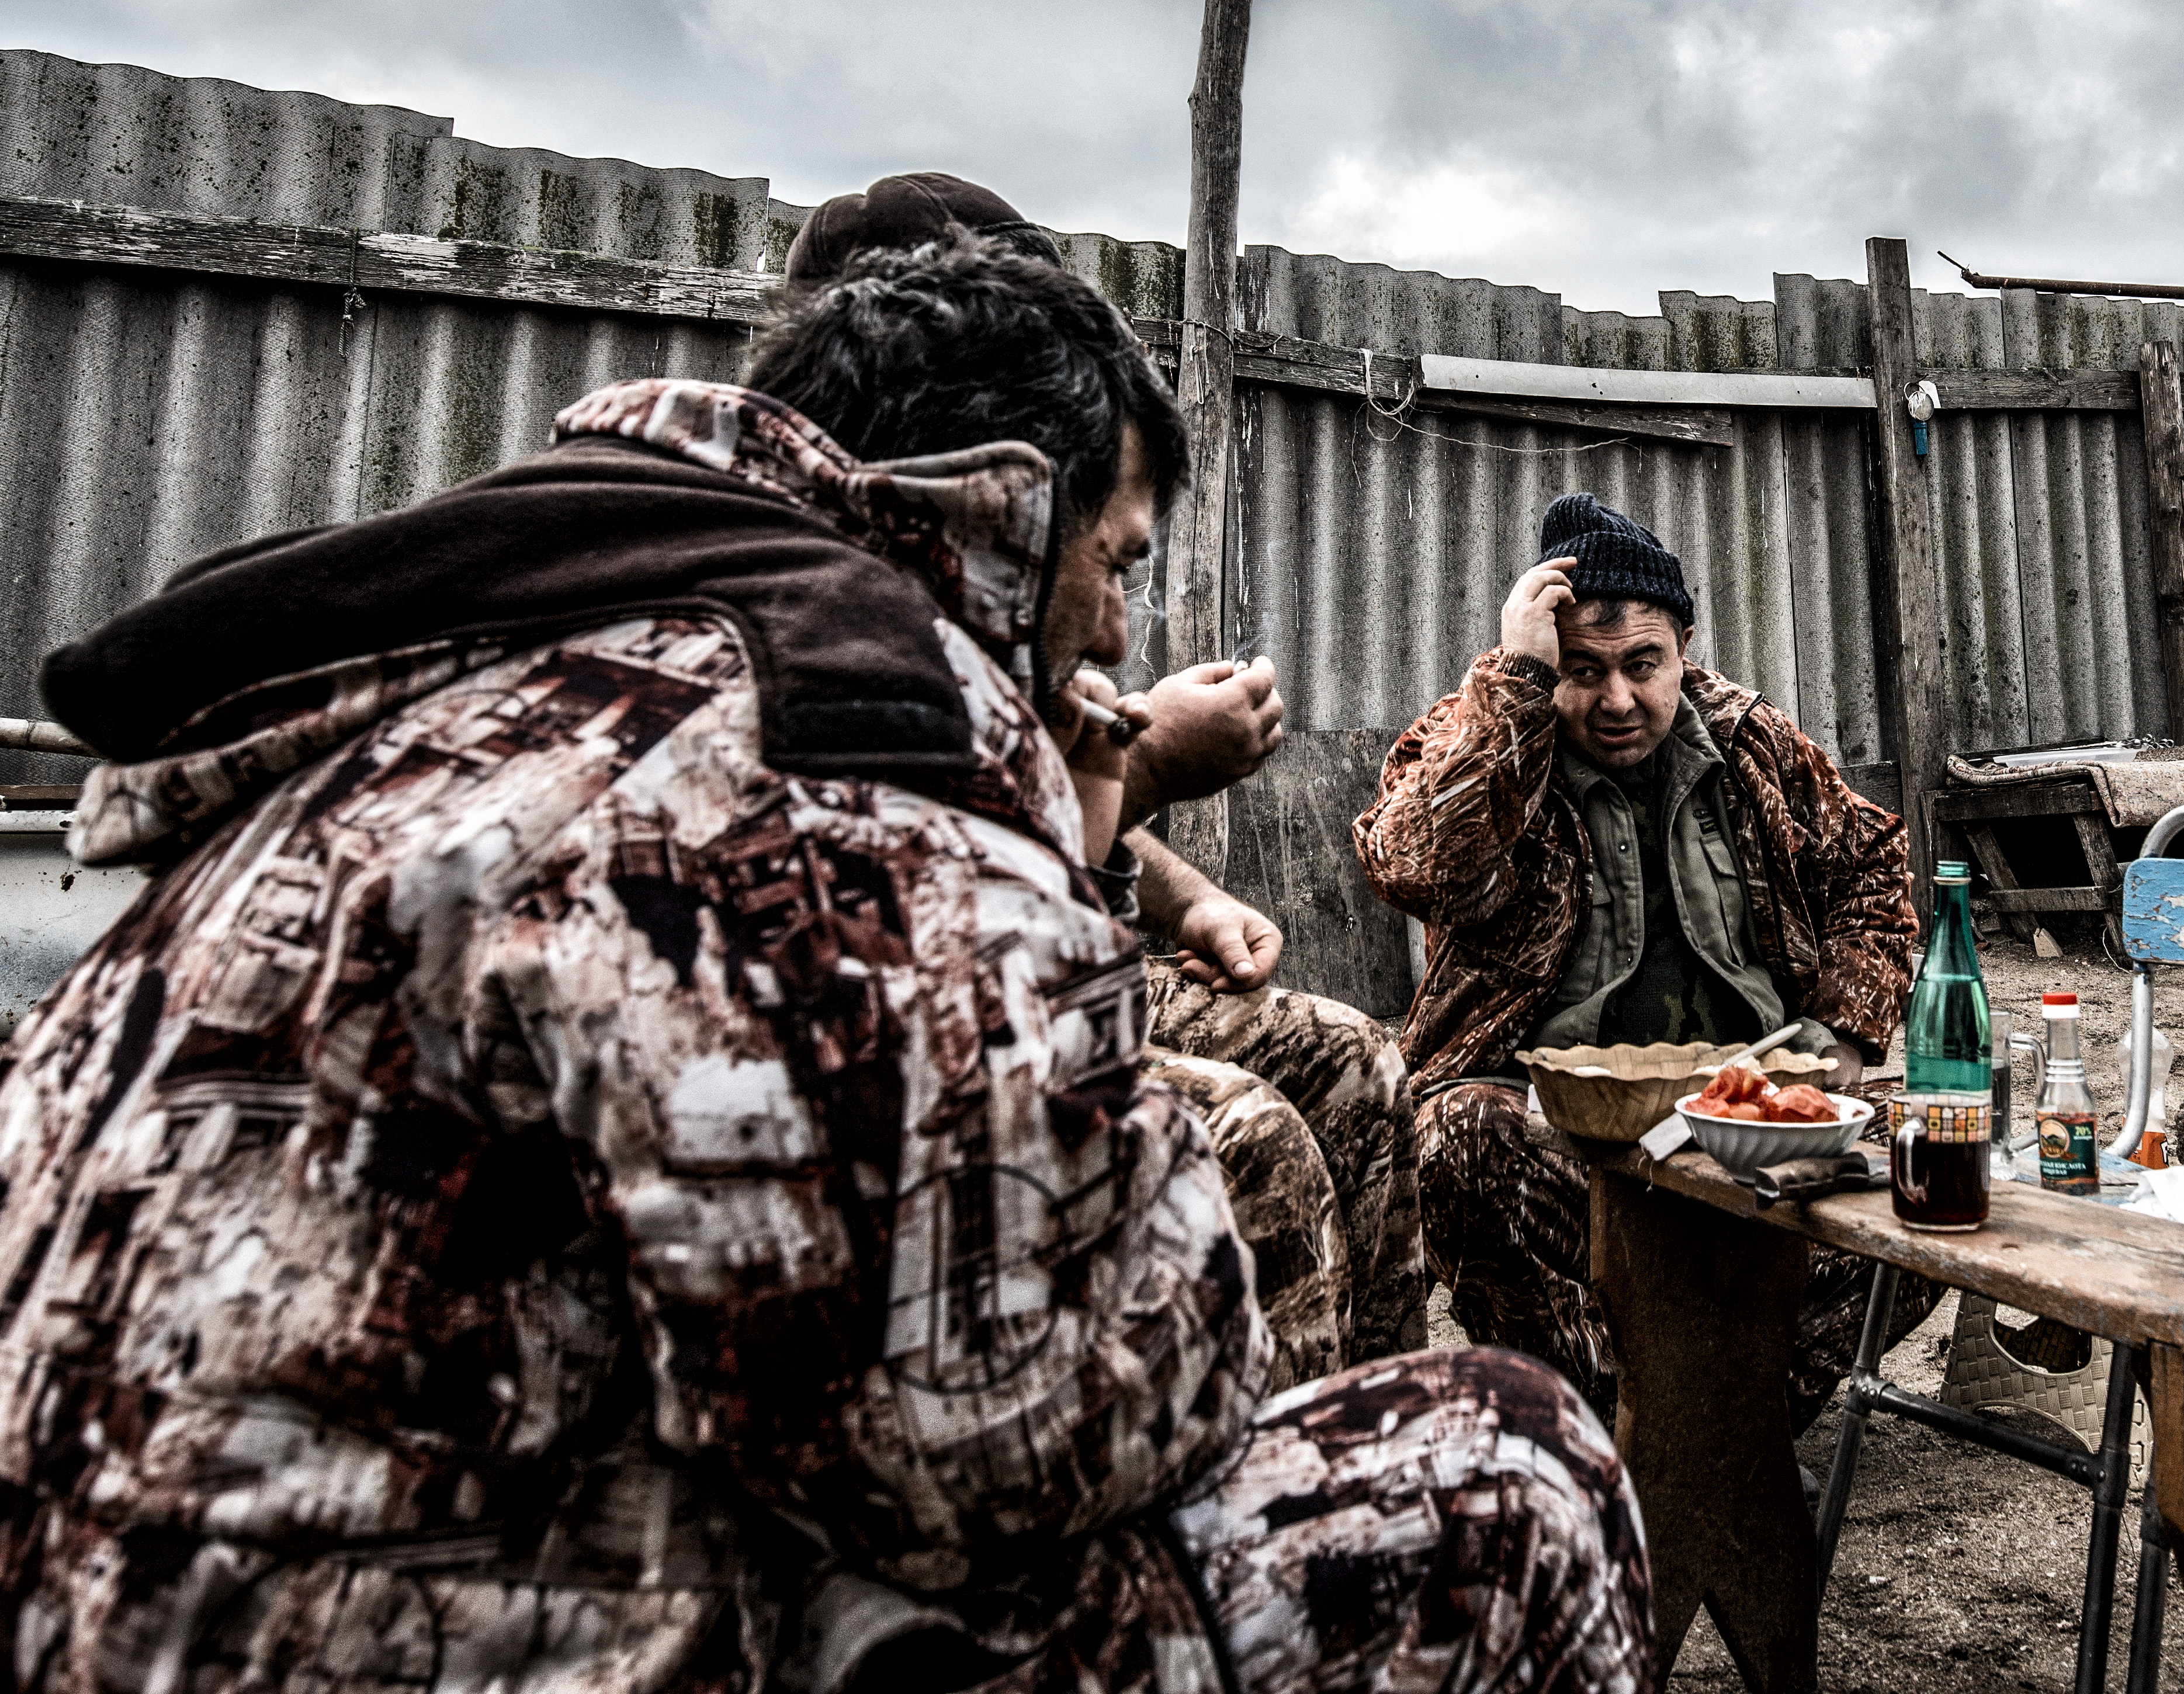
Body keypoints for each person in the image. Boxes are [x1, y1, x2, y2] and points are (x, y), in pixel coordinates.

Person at [1, 242, 1647, 1694]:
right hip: (400, 1632)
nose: (1123, 635)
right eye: (1124, 561)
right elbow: (1001, 1438)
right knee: (1513, 1476)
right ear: (1004, 507)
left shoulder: (502, 667)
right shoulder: (820, 749)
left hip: (147, 1595)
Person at [786, 173, 1429, 1386]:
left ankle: (1367, 1408)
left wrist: (1183, 899)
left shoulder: (996, 578)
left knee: (1352, 1057)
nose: (1121, 631)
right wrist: (1151, 757)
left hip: (1040, 967)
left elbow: (1052, 829)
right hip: (917, 1049)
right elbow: (951, 937)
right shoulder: (842, 580)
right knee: (1248, 1143)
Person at [1354, 492, 1943, 1426]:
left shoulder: (1754, 742)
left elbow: (1870, 869)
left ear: (1684, 650)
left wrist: (1844, 1035)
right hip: (1549, 1127)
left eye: (1642, 665)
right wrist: (1514, 686)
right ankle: (1601, 1431)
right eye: (1581, 671)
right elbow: (1407, 862)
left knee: (1937, 1172)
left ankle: (1722, 1426)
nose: (1616, 700)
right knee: (1458, 1145)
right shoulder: (1480, 732)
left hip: (1746, 1121)